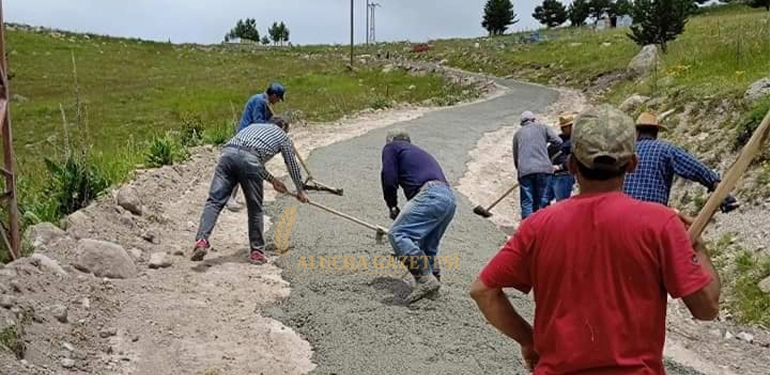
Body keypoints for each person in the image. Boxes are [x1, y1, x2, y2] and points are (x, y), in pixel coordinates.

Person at [470, 105, 721, 374]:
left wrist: (529, 340)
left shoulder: (537, 225)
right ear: (633, 164)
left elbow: (483, 291)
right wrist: (697, 247)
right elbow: (706, 309)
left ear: (572, 165)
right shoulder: (662, 224)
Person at [192, 115, 308, 265]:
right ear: (284, 128)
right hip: (250, 160)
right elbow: (291, 164)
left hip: (227, 155)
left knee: (214, 201)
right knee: (255, 208)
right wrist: (300, 190)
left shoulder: (253, 127)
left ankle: (201, 240)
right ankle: (257, 252)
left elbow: (249, 159)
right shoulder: (282, 135)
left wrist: (273, 180)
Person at [381, 129, 456, 303]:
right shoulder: (417, 152)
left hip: (430, 194)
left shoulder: (392, 147)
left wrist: (392, 205)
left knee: (397, 234)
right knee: (428, 247)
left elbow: (388, 177)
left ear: (391, 140)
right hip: (448, 199)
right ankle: (433, 288)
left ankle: (424, 279)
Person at [623, 112, 739, 212]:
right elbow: (695, 168)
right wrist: (720, 190)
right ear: (656, 132)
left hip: (622, 216)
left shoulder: (625, 152)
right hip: (653, 216)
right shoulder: (666, 149)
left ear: (637, 132)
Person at [227, 82, 287, 212]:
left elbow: (269, 121)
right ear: (274, 95)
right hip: (245, 139)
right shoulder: (259, 101)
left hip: (253, 141)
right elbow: (257, 122)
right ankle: (229, 199)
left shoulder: (267, 104)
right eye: (278, 99)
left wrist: (278, 123)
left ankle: (247, 198)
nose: (277, 102)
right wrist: (273, 125)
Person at [512, 111, 562, 219]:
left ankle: (527, 227)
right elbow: (558, 142)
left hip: (525, 171)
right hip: (544, 169)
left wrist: (520, 171)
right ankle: (542, 226)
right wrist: (547, 154)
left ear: (522, 123)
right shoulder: (543, 128)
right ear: (533, 120)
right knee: (542, 200)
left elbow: (516, 157)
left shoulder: (517, 134)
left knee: (527, 202)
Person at [545, 112, 577, 203]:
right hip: (552, 175)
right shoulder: (558, 139)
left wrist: (559, 167)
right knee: (543, 201)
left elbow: (574, 159)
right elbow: (548, 152)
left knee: (561, 202)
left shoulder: (574, 141)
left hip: (564, 175)